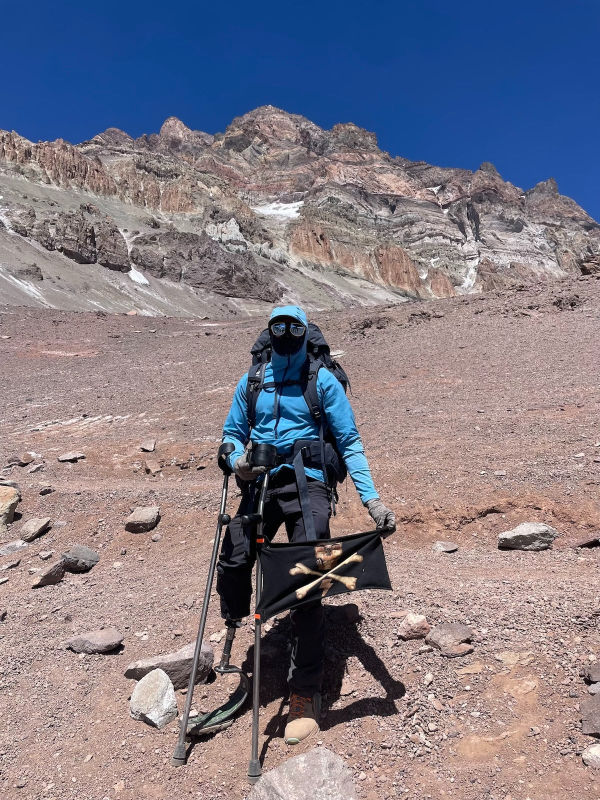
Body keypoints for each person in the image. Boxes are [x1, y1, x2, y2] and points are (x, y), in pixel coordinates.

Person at [217, 305, 395, 745]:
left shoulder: (322, 380)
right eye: (278, 327)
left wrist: (371, 500)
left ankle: (305, 690)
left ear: (303, 332)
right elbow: (231, 433)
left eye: (293, 327)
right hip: (260, 482)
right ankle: (236, 618)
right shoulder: (253, 381)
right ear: (269, 332)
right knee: (235, 553)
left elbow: (349, 441)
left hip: (309, 483)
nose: (285, 334)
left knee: (308, 576)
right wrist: (236, 459)